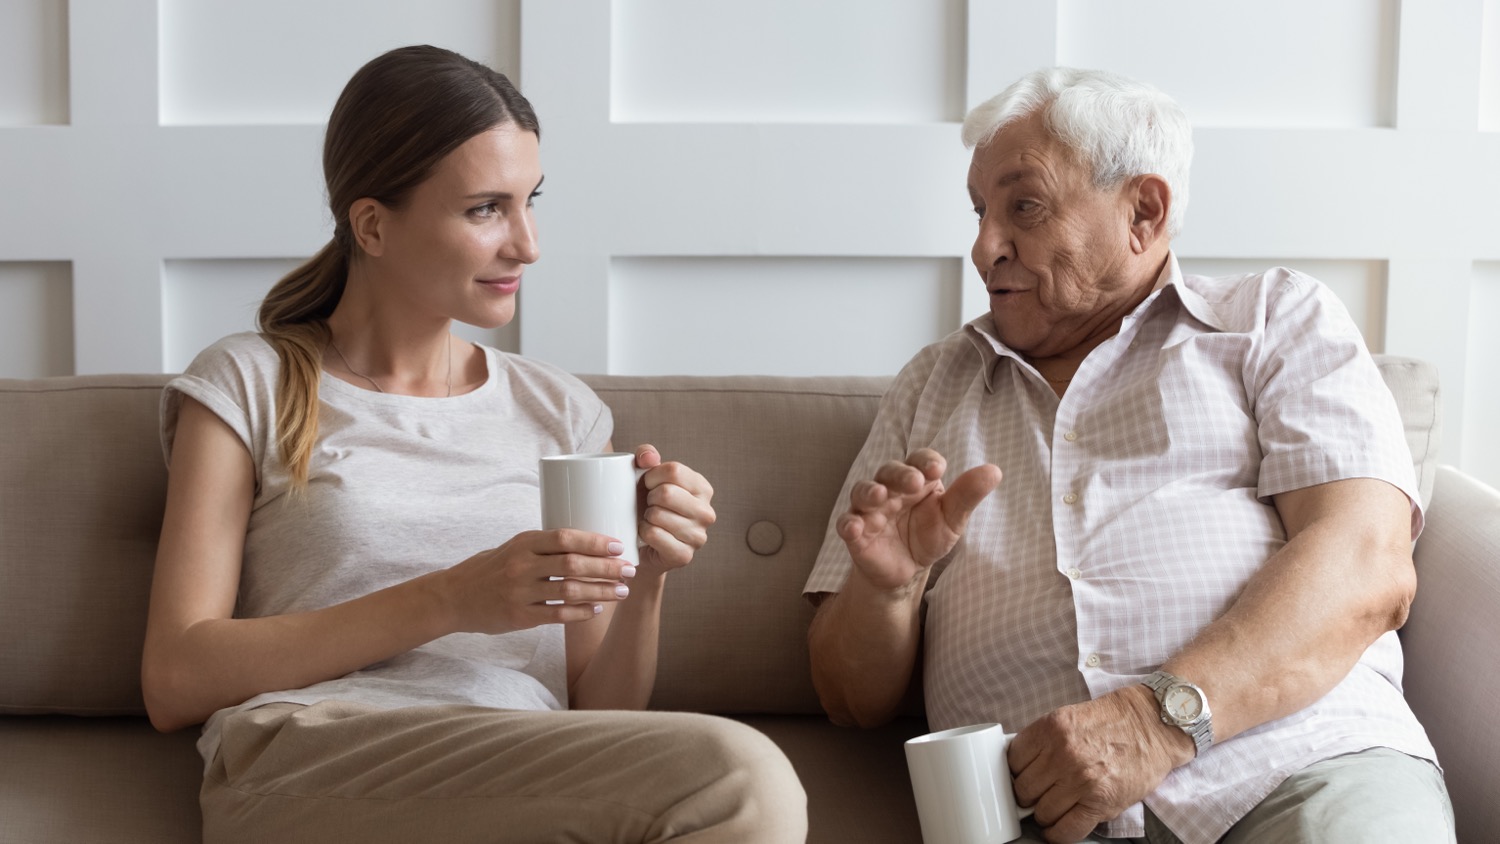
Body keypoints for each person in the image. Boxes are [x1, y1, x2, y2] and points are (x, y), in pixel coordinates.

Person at [141, 45, 805, 844]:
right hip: (307, 761)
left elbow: (601, 711)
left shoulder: (558, 410)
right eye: (486, 208)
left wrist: (649, 576)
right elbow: (175, 679)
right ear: (373, 224)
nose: (527, 245)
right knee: (739, 773)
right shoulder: (251, 381)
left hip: (522, 765)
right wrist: (451, 599)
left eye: (531, 201)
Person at [804, 67, 1454, 844]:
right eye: (979, 212)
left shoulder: (1274, 320)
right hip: (1029, 817)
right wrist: (887, 589)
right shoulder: (932, 384)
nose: (984, 247)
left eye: (1025, 207)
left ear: (1144, 210)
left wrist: (1156, 721)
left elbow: (1366, 564)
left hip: (1300, 777)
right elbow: (848, 700)